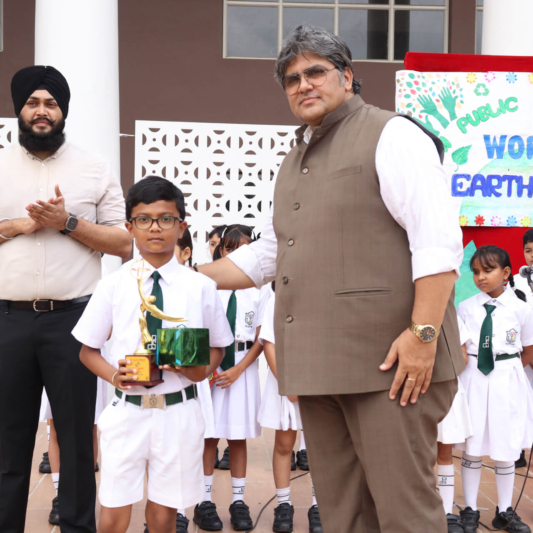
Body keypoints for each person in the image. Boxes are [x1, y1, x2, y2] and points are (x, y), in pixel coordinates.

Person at [197, 26, 465, 533]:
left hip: (392, 368)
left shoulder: (392, 134)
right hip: (320, 370)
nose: (303, 84)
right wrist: (184, 278)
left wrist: (423, 336)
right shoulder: (293, 160)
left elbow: (437, 242)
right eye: (291, 79)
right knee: (343, 514)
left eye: (315, 72)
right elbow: (271, 252)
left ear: (347, 76)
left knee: (405, 514)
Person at [0, 65, 131, 533]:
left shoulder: (94, 167)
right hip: (8, 322)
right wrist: (19, 225)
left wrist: (67, 223)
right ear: (19, 109)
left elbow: (124, 242)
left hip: (73, 324)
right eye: (33, 103)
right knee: (8, 444)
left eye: (51, 103)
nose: (42, 111)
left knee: (76, 442)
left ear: (63, 110)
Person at [73, 176, 234, 533]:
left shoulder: (201, 287)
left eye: (166, 219)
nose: (155, 228)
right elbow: (87, 350)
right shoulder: (113, 285)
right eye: (144, 219)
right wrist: (114, 375)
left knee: (163, 517)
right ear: (130, 227)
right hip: (126, 411)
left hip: (178, 412)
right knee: (112, 515)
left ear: (182, 227)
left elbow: (219, 346)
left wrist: (199, 370)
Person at [194, 224, 269, 532]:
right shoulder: (208, 285)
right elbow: (199, 328)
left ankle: (238, 501)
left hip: (242, 367)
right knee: (208, 435)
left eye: (243, 249)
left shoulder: (260, 288)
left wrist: (238, 369)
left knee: (237, 437)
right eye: (229, 249)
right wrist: (208, 368)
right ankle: (203, 501)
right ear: (220, 251)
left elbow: (262, 337)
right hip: (210, 369)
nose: (235, 255)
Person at [456, 245, 533, 533]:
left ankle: (504, 510)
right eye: (476, 272)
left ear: (506, 272)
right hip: (473, 378)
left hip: (507, 378)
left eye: (488, 270)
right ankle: (470, 508)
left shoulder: (522, 309)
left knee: (506, 445)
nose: (481, 277)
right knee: (472, 445)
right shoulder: (466, 307)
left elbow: (528, 349)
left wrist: (507, 371)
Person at [258, 283, 323, 533]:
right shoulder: (277, 298)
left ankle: (319, 505)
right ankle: (283, 504)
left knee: (320, 447)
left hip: (319, 382)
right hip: (286, 380)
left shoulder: (323, 295)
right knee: (285, 444)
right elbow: (269, 344)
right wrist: (287, 383)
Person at [436, 316, 473, 533]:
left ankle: (446, 511)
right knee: (413, 454)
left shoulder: (451, 317)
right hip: (410, 389)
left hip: (444, 387)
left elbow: (463, 357)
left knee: (444, 451)